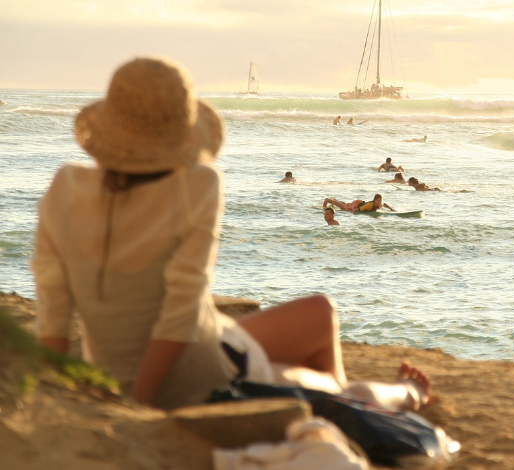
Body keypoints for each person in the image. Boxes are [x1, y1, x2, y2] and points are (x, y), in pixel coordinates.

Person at [31, 57, 429, 412]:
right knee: (331, 384)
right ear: (182, 133)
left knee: (319, 314)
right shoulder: (197, 183)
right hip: (199, 373)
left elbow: (53, 314)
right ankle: (405, 395)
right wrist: (139, 407)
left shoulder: (65, 186)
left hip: (143, 359)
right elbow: (179, 315)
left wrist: (62, 396)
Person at [323, 193, 396, 213]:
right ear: (374, 200)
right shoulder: (370, 205)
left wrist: (391, 208)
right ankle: (329, 200)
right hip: (357, 204)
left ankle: (333, 200)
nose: (380, 202)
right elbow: (356, 210)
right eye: (378, 200)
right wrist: (350, 215)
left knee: (346, 204)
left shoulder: (379, 204)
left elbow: (384, 204)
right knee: (344, 208)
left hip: (360, 202)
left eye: (380, 200)